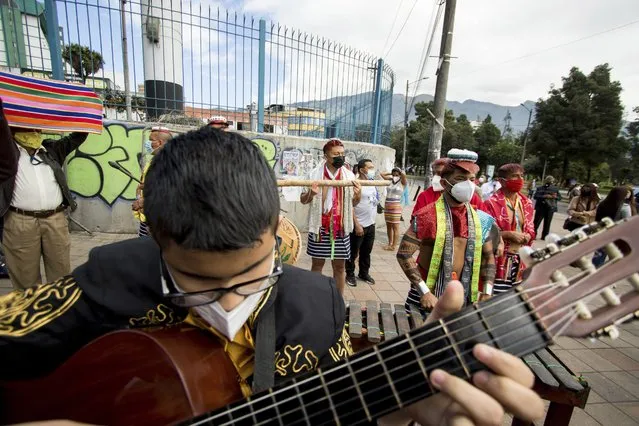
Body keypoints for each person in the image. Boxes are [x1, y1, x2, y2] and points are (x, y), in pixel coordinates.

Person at [0, 127, 545, 426]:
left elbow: (334, 403)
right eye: (201, 283)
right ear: (157, 242)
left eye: (256, 275)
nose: (233, 304)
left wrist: (398, 410)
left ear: (276, 233)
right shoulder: (108, 283)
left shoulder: (314, 307)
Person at [396, 151, 497, 318]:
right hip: (427, 296)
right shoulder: (427, 216)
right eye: (460, 179)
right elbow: (404, 254)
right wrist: (424, 292)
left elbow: (488, 257)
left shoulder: (481, 219)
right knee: (417, 340)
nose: (468, 185)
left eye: (471, 180)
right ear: (444, 183)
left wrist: (487, 291)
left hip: (463, 297)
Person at [0, 100, 88, 290]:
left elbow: (78, 137)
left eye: (37, 127)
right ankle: (31, 315)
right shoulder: (7, 153)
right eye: (28, 126)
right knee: (25, 278)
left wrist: (83, 111)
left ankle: (61, 314)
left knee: (61, 275)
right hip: (20, 222)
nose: (34, 132)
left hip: (55, 220)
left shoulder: (51, 150)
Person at [300, 138, 361, 295]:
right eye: (336, 154)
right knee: (317, 265)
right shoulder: (314, 175)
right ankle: (314, 299)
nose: (340, 156)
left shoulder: (349, 176)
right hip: (320, 228)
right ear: (326, 156)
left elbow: (354, 203)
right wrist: (311, 194)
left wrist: (358, 194)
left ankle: (338, 301)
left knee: (339, 267)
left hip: (341, 227)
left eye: (342, 153)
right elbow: (303, 200)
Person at [484, 164, 536, 294]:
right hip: (499, 261)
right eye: (514, 176)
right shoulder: (491, 203)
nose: (520, 179)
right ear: (501, 181)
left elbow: (531, 227)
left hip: (520, 261)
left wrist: (528, 235)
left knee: (516, 297)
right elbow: (485, 233)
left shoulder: (526, 202)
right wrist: (507, 234)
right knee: (497, 299)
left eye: (521, 176)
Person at [412, 155, 484, 221]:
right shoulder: (425, 196)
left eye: (471, 179)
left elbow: (484, 225)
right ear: (444, 183)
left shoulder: (474, 198)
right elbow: (416, 222)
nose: (467, 183)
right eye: (438, 173)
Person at [132, 127, 173, 237]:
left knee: (153, 251)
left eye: (150, 140)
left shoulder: (169, 163)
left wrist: (145, 201)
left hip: (159, 220)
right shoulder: (155, 160)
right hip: (148, 216)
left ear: (159, 142)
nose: (148, 143)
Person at [346, 159, 378, 287]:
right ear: (361, 170)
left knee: (366, 252)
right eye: (369, 167)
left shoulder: (372, 182)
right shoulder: (355, 182)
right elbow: (350, 205)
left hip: (371, 224)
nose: (372, 169)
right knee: (353, 253)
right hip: (358, 225)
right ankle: (350, 274)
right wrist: (357, 224)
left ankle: (364, 273)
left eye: (372, 167)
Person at [592, 186, 634, 267]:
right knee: (614, 257)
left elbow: (597, 218)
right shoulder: (625, 207)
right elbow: (627, 222)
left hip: (601, 232)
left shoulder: (602, 203)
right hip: (616, 235)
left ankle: (593, 272)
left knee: (599, 255)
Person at [380, 167, 407, 251]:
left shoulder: (402, 182)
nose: (395, 176)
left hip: (396, 207)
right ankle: (389, 243)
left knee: (395, 226)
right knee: (388, 226)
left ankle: (394, 246)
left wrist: (399, 172)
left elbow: (404, 175)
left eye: (397, 174)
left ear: (399, 175)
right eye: (394, 174)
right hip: (387, 206)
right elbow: (382, 174)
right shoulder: (391, 181)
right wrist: (391, 173)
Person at [533, 175, 561, 240]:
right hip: (540, 208)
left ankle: (544, 236)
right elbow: (535, 196)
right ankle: (533, 235)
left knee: (547, 223)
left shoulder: (555, 189)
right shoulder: (540, 188)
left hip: (550, 208)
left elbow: (559, 198)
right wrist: (544, 196)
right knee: (536, 223)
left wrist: (554, 197)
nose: (549, 182)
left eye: (550, 181)